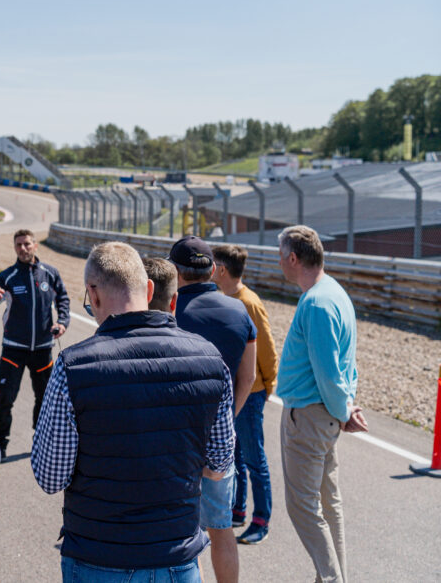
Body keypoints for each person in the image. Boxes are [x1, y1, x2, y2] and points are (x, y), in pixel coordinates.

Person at [31, 242, 235, 583]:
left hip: (98, 555)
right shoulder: (210, 359)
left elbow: (51, 477)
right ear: (150, 289)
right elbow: (220, 464)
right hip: (177, 556)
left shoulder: (72, 366)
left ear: (93, 296)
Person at [277, 225, 365, 583]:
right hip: (324, 416)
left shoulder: (315, 303)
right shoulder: (335, 293)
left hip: (310, 418)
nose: (280, 263)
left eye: (282, 256)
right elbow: (348, 365)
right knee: (329, 507)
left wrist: (344, 410)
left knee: (303, 509)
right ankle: (333, 577)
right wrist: (345, 407)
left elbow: (327, 371)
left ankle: (332, 580)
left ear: (294, 258)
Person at [171, 235, 256, 583]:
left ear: (175, 272)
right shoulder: (239, 309)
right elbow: (248, 377)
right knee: (222, 528)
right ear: (211, 270)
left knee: (186, 531)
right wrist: (226, 419)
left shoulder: (170, 312)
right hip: (221, 440)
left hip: (177, 441)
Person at [212, 244, 280, 546]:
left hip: (251, 392)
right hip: (234, 391)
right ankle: (238, 509)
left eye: (214, 265)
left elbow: (266, 349)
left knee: (254, 459)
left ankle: (261, 519)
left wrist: (268, 387)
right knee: (234, 454)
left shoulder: (248, 302)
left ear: (223, 270)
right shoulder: (225, 298)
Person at [0, 228, 69, 458]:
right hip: (13, 350)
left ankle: (41, 443)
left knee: (44, 399)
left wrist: (63, 322)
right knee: (5, 400)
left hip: (42, 350)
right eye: (19, 245)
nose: (23, 248)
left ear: (35, 245)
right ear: (14, 248)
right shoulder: (7, 276)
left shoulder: (50, 274)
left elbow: (63, 299)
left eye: (27, 244)